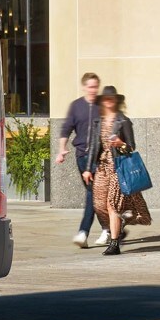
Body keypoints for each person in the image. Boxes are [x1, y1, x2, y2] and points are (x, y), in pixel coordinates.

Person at [82, 86, 151, 256]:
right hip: (101, 167)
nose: (109, 101)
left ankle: (114, 244)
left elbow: (131, 147)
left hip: (118, 167)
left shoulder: (123, 121)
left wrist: (120, 143)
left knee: (112, 204)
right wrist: (88, 169)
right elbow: (93, 147)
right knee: (99, 206)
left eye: (112, 98)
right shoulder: (98, 121)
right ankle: (117, 229)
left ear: (116, 100)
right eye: (106, 98)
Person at [55, 72, 104, 247]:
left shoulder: (102, 105)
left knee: (93, 193)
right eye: (90, 87)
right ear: (84, 87)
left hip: (100, 157)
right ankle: (110, 228)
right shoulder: (76, 106)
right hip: (82, 156)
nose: (93, 90)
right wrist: (61, 150)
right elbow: (66, 129)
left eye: (95, 87)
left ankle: (83, 232)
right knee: (95, 194)